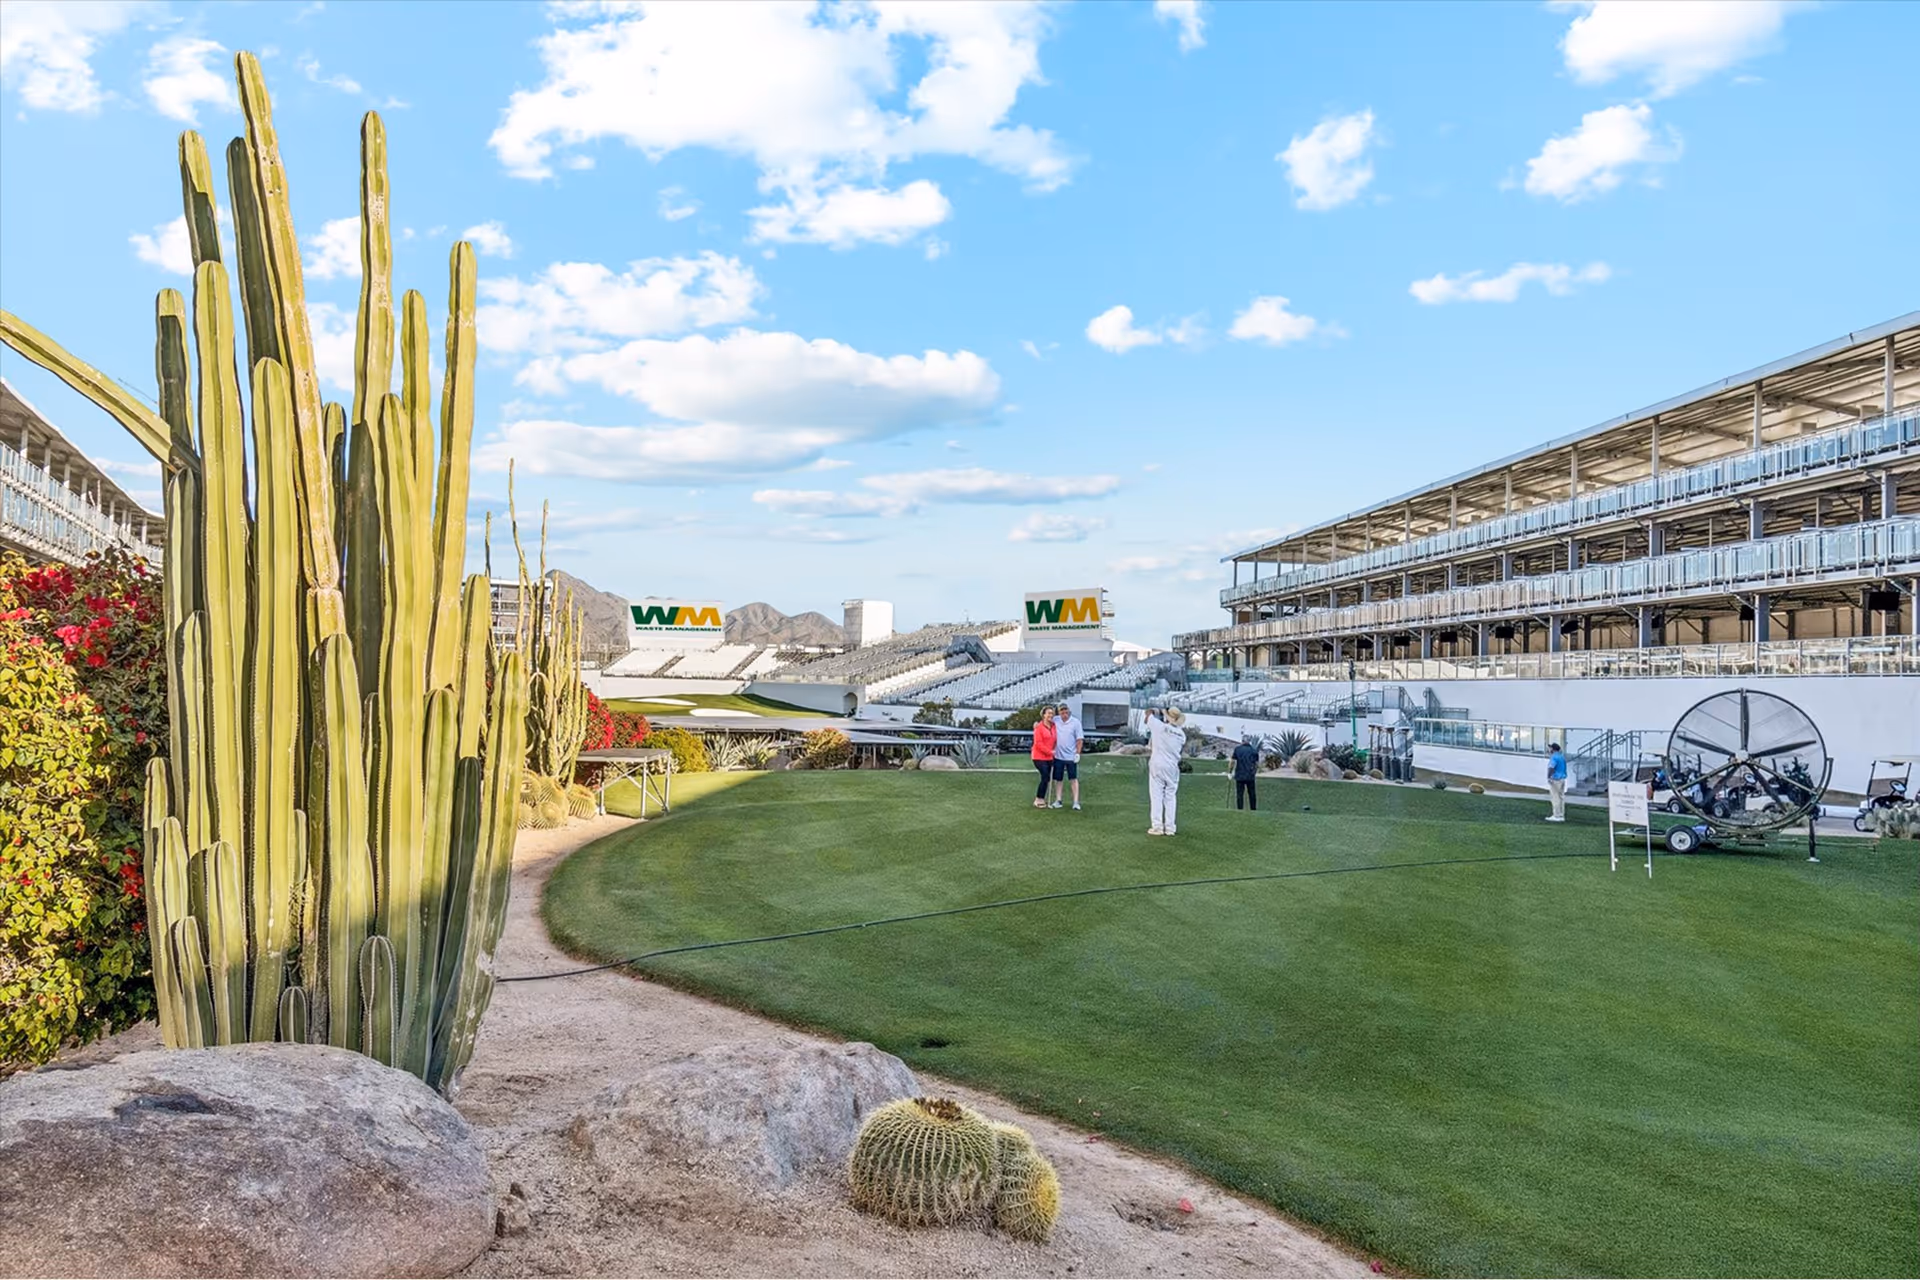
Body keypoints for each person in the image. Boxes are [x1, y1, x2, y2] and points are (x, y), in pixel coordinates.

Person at [1144, 706, 1186, 835]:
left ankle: (1157, 826)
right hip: (1172, 766)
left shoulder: (1160, 727)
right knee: (1170, 796)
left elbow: (1147, 716)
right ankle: (1170, 827)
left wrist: (1154, 711)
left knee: (1156, 795)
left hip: (1158, 764)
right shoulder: (1181, 735)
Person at [1050, 703, 1084, 810]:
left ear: (1069, 711)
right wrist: (1037, 724)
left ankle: (1075, 802)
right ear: (1059, 712)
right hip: (1058, 755)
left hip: (1071, 756)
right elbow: (1046, 722)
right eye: (1062, 712)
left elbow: (1079, 739)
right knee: (1058, 779)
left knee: (1073, 779)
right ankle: (1058, 800)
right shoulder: (1056, 720)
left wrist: (1078, 753)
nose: (1064, 715)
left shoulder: (1075, 722)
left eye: (1066, 712)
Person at [1030, 706, 1057, 809]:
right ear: (1044, 715)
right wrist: (1050, 752)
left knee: (1047, 778)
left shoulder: (1054, 726)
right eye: (1048, 713)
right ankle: (1038, 799)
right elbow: (1038, 744)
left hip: (1049, 757)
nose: (1051, 715)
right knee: (1045, 776)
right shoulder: (1039, 727)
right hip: (1038, 756)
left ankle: (1042, 798)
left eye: (1052, 713)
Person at [1231, 734, 1261, 811]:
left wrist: (1230, 772)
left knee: (1239, 794)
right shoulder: (1254, 751)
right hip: (1250, 775)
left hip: (1239, 775)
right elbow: (1257, 764)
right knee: (1252, 794)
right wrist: (1254, 772)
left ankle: (1240, 809)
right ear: (1249, 741)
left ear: (1242, 741)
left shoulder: (1237, 749)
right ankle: (1253, 809)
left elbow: (1233, 762)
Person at [1545, 741, 1567, 822]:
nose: (1549, 749)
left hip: (1555, 779)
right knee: (1561, 797)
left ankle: (1556, 815)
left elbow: (1551, 767)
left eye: (1550, 748)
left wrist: (1549, 777)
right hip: (1562, 779)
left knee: (1555, 797)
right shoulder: (1562, 757)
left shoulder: (1554, 757)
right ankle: (1561, 814)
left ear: (1553, 749)